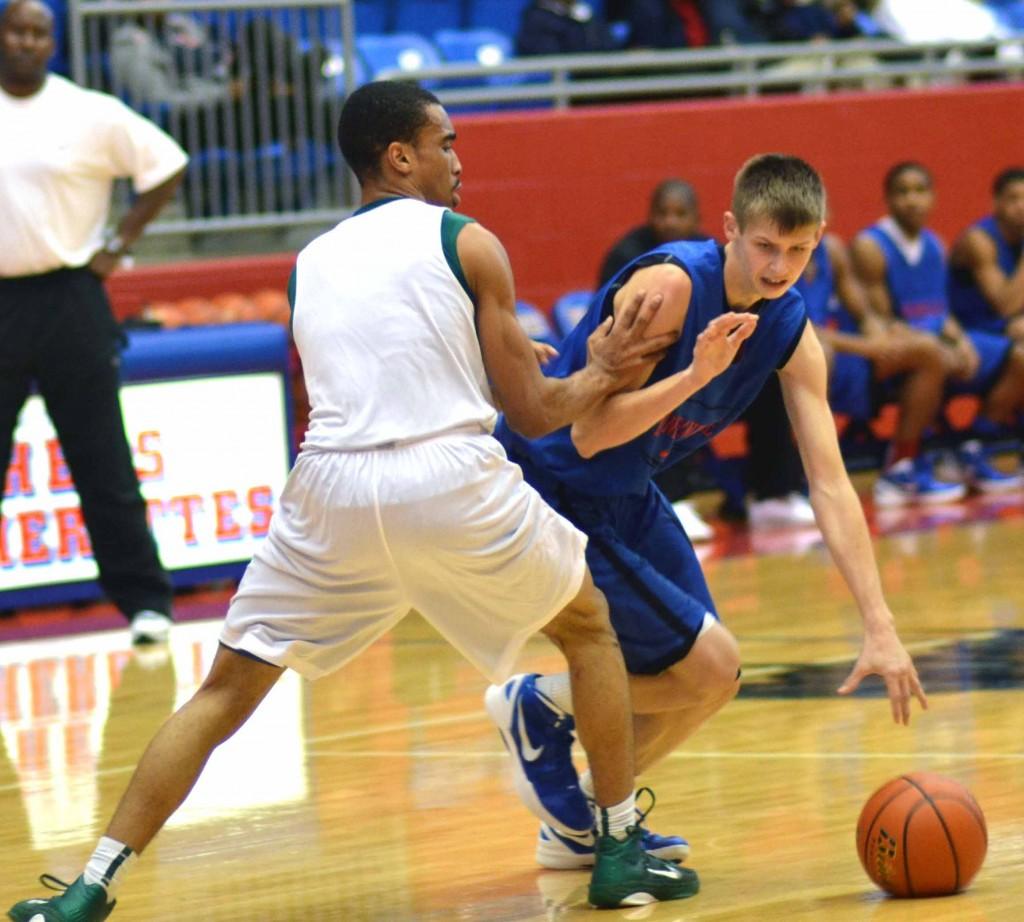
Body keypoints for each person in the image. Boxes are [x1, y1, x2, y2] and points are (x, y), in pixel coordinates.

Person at [6, 80, 702, 921]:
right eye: (445, 142)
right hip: (445, 478)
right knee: (590, 630)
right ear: (399, 155)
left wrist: (496, 359)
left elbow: (385, 359)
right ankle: (618, 846)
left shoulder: (308, 264)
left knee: (222, 694)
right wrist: (605, 374)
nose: (458, 158)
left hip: (330, 488)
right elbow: (534, 412)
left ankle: (90, 887)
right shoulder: (469, 241)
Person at [486, 154, 928, 872]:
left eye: (798, 250)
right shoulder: (667, 289)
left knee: (712, 683)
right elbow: (588, 433)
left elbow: (831, 483)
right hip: (548, 488)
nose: (780, 266)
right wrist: (695, 376)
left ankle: (592, 821)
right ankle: (538, 705)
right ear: (730, 230)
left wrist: (879, 624)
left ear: (819, 240)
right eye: (764, 247)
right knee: (709, 662)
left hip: (625, 491)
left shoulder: (787, 321)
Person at [0, 0, 185, 645]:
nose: (27, 41)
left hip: (71, 300)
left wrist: (119, 243)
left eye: (39, 32)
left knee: (102, 459)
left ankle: (147, 603)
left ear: (52, 42)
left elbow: (167, 164)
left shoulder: (87, 110)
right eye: (16, 30)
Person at [599, 178, 815, 534]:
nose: (670, 221)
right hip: (649, 364)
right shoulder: (628, 254)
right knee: (673, 384)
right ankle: (673, 499)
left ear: (699, 218)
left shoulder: (715, 256)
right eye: (662, 213)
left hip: (714, 361)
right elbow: (616, 332)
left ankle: (772, 494)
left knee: (772, 380)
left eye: (680, 213)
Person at [850, 161, 1024, 493]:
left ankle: (975, 446)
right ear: (887, 199)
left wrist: (961, 342)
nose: (912, 200)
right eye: (902, 192)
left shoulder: (934, 244)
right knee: (932, 355)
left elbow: (943, 313)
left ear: (933, 197)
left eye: (920, 191)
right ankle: (902, 464)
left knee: (1020, 356)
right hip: (890, 350)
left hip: (935, 341)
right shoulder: (871, 246)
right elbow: (882, 323)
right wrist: (944, 345)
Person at [797, 231, 965, 505]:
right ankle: (808, 478)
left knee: (927, 350)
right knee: (816, 355)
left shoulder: (833, 250)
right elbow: (796, 326)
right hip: (795, 359)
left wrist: (882, 336)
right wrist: (869, 348)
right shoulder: (774, 255)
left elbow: (863, 314)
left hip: (844, 353)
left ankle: (901, 465)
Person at [948, 166, 1024, 343]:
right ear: (996, 203)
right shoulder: (979, 241)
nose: (1021, 207)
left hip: (1009, 325)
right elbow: (1006, 307)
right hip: (970, 330)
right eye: (1013, 199)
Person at [515, 0, 619, 56]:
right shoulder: (536, 19)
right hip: (564, 90)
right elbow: (551, 60)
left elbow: (609, 48)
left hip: (598, 86)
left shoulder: (587, 14)